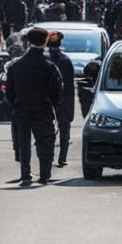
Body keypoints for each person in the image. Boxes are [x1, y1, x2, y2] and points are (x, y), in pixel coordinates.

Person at [3, 27, 63, 186]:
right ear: (45, 41)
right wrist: (55, 107)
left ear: (29, 42)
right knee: (45, 141)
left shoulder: (16, 65)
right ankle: (44, 175)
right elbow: (57, 90)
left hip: (22, 108)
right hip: (43, 108)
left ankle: (25, 175)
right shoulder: (49, 66)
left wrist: (15, 104)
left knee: (23, 143)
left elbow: (9, 91)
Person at [46, 31, 76, 167]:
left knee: (47, 130)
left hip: (46, 100)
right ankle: (62, 157)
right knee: (64, 129)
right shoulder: (65, 60)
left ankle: (49, 157)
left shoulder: (44, 59)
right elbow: (69, 85)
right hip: (62, 100)